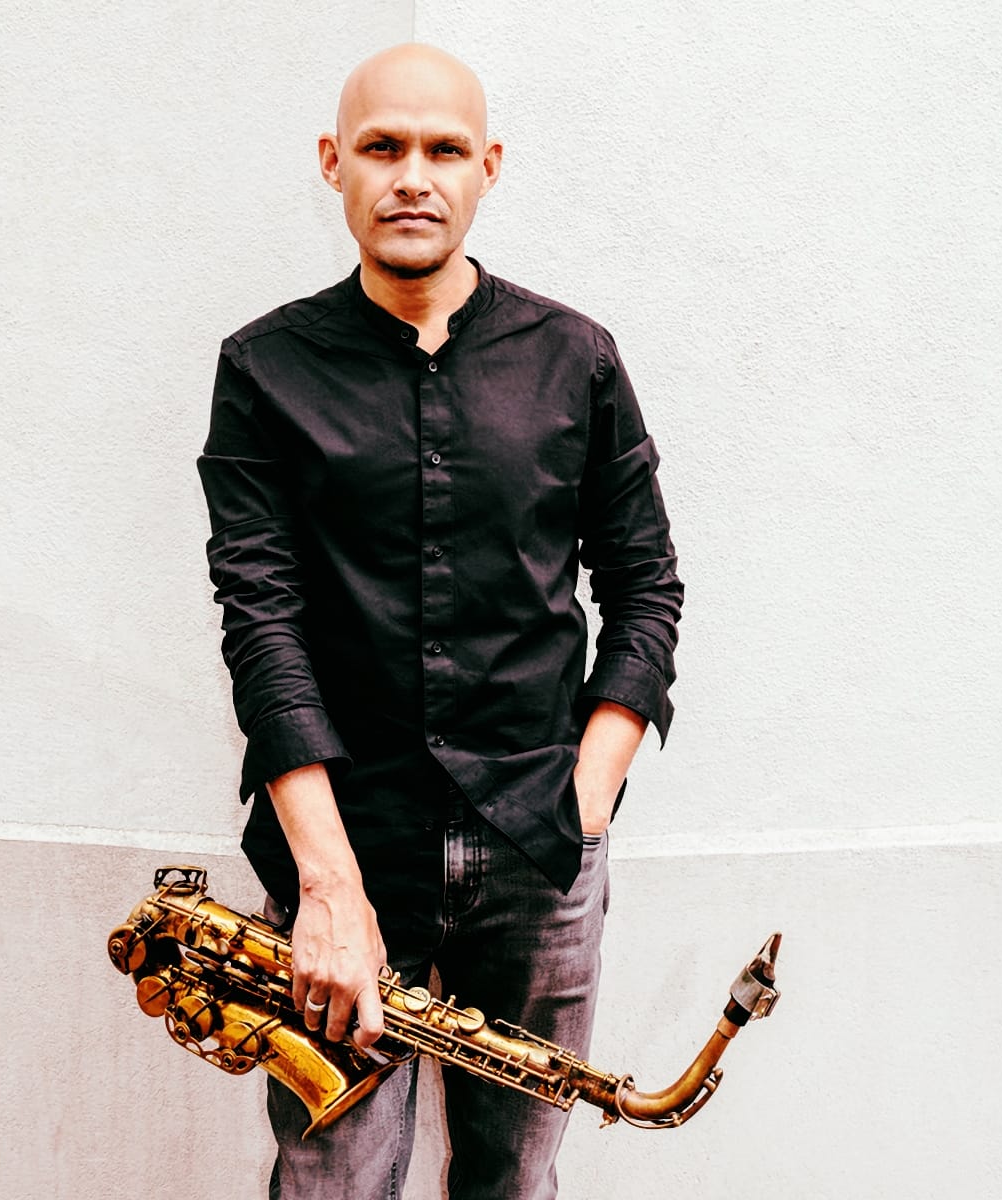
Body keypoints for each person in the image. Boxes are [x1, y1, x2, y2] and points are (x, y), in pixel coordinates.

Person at [197, 42, 683, 1200]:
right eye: (382, 147)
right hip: (345, 846)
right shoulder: (264, 369)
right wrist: (327, 889)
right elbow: (261, 625)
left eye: (443, 149)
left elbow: (647, 583)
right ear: (334, 163)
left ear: (488, 168)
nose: (412, 175)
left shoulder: (578, 360)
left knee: (515, 1182)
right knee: (333, 1183)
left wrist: (593, 785)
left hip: (539, 849)